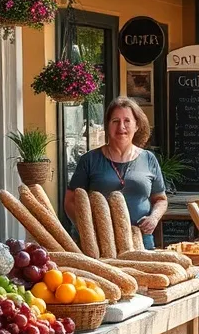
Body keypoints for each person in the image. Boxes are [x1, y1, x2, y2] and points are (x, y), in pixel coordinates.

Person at [64, 97, 167, 249]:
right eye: (115, 121)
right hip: (100, 243)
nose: (121, 127)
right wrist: (87, 228)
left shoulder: (149, 159)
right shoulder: (90, 160)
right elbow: (70, 201)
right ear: (107, 125)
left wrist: (154, 218)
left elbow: (160, 199)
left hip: (140, 239)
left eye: (127, 121)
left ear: (137, 125)